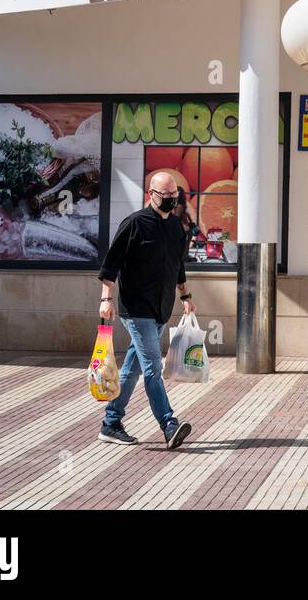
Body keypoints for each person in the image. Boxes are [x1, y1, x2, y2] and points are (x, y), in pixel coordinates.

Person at [96, 170, 196, 449]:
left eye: (173, 195)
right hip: (136, 308)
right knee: (153, 366)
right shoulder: (134, 224)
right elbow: (111, 264)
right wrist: (107, 299)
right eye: (164, 195)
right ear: (150, 194)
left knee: (132, 368)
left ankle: (111, 423)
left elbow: (178, 264)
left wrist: (185, 294)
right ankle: (169, 424)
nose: (169, 199)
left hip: (161, 308)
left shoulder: (176, 226)